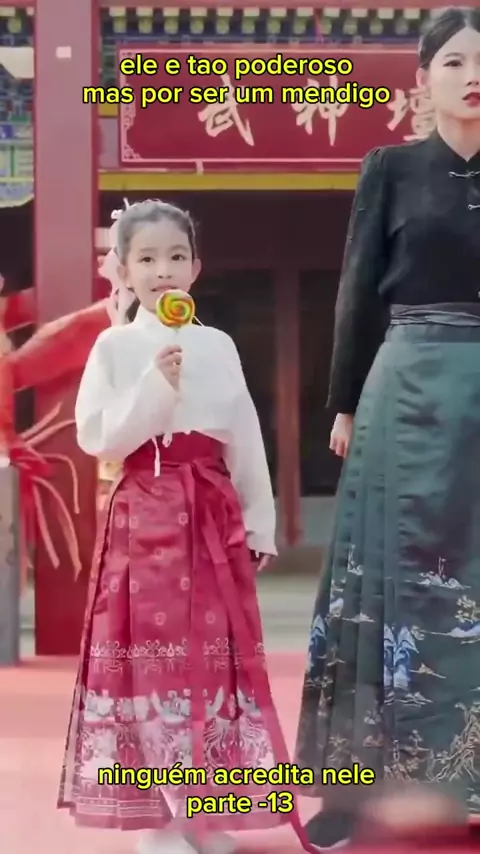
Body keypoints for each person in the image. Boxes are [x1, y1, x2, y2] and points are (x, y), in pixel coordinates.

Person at [57, 200, 304, 854]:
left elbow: (244, 436)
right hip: (144, 516)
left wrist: (259, 523)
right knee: (152, 663)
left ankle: (207, 811)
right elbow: (98, 437)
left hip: (213, 514)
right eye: (146, 258)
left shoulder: (218, 345)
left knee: (214, 662)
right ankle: (161, 819)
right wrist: (153, 385)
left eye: (175, 256)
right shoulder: (114, 346)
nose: (161, 270)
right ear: (122, 269)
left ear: (195, 267)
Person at [294, 6, 480, 850]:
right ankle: (354, 792)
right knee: (381, 586)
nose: (471, 77)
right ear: (424, 80)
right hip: (405, 389)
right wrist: (344, 403)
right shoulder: (391, 168)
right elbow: (357, 288)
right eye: (454, 62)